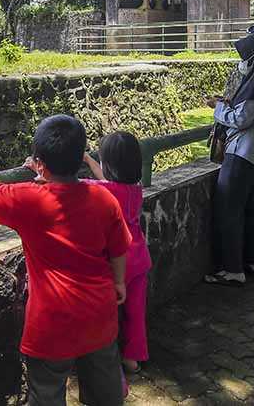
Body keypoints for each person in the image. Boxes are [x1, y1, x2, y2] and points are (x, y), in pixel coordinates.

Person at [0, 115, 132, 406]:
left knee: (46, 390)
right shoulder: (103, 198)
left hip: (52, 323)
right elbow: (118, 247)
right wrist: (120, 281)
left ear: (39, 163)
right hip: (99, 313)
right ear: (81, 158)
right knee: (105, 391)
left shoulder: (28, 200)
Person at [204, 19, 254, 285]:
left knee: (229, 209)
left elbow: (241, 119)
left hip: (243, 152)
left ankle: (232, 269)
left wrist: (217, 108)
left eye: (246, 57)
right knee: (253, 208)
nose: (243, 62)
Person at [82, 131, 151, 375]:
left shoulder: (98, 190)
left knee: (109, 316)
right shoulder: (135, 188)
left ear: (107, 163)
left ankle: (107, 363)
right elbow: (111, 183)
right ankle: (133, 358)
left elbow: (67, 185)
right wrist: (90, 161)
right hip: (140, 260)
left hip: (117, 262)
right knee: (136, 313)